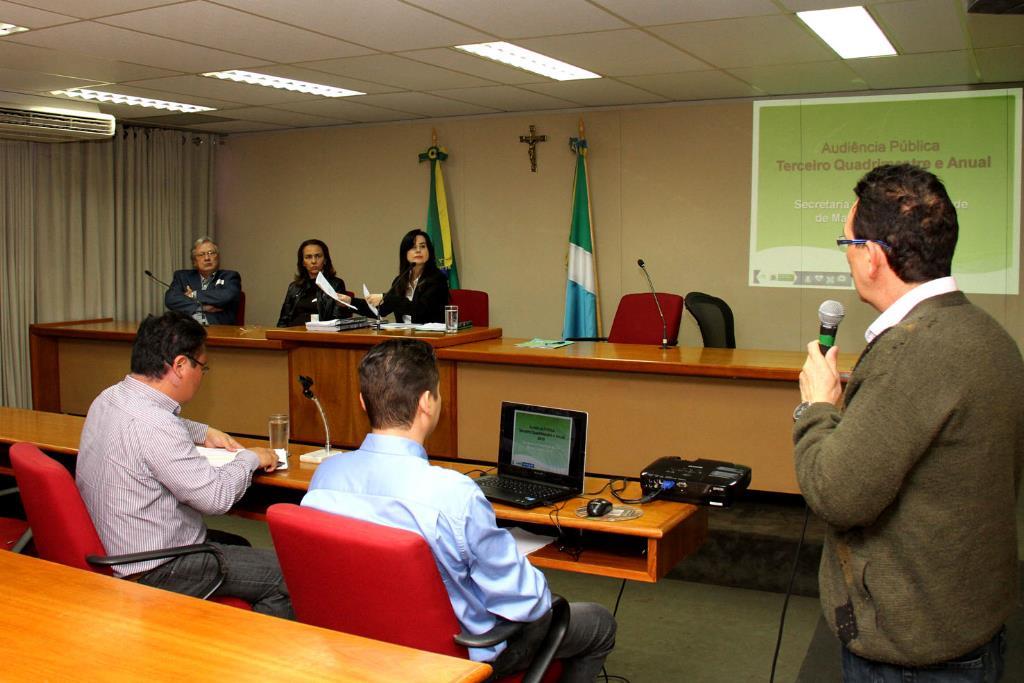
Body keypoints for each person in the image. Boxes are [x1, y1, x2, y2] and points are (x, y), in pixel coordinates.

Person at [793, 164, 1023, 681]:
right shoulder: (987, 335)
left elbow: (836, 494)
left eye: (848, 243)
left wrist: (818, 407)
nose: (848, 256)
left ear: (872, 256)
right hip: (966, 621)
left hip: (917, 650)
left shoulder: (914, 350)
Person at [302, 339, 616, 681]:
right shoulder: (453, 495)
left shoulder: (325, 478)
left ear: (363, 403)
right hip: (451, 659)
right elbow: (527, 602)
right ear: (427, 402)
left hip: (358, 646)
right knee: (598, 622)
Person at [76, 312, 293, 618]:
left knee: (238, 543)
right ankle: (247, 655)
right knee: (287, 577)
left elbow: (155, 425)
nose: (203, 375)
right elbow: (215, 498)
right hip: (158, 567)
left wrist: (202, 432)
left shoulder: (109, 398)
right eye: (202, 367)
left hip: (115, 549)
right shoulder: (157, 427)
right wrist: (251, 458)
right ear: (179, 365)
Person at [362, 229, 449, 324]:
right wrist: (349, 302)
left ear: (429, 251)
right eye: (413, 247)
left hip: (430, 335)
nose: (418, 250)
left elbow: (420, 309)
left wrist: (385, 297)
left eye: (423, 246)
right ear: (405, 253)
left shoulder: (437, 279)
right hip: (404, 336)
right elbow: (382, 310)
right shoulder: (400, 281)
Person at [164, 237, 241, 325]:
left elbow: (227, 296)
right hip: (187, 329)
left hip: (218, 328)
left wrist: (194, 294)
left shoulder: (230, 276)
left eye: (211, 253)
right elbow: (171, 299)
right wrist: (201, 308)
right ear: (194, 262)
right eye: (201, 254)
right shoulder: (182, 276)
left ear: (218, 258)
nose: (207, 258)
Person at [276, 238, 352, 327]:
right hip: (293, 335)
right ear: (303, 263)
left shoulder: (336, 284)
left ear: (325, 260)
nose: (313, 261)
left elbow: (337, 320)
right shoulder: (294, 287)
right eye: (308, 257)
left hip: (319, 336)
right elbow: (283, 321)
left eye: (318, 256)